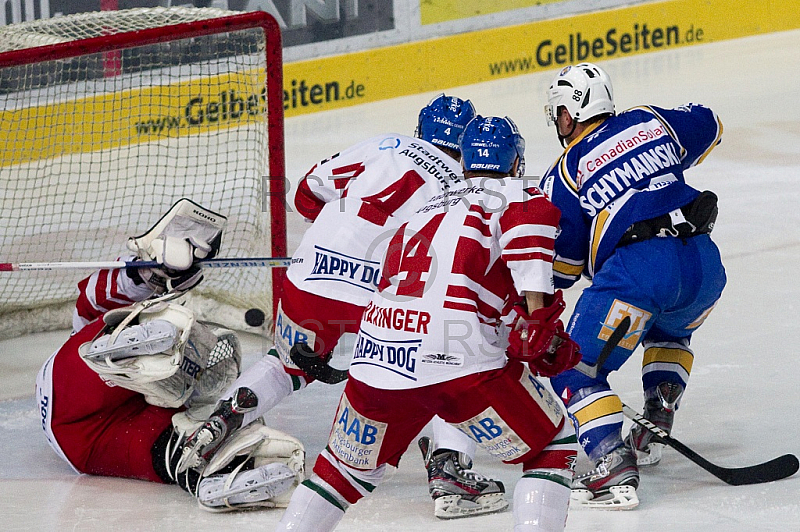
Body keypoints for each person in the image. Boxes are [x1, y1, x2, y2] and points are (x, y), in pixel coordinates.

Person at [179, 95, 509, 518]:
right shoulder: (462, 187)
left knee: (287, 363)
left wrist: (342, 237)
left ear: (420, 130)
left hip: (310, 273)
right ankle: (450, 471)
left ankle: (221, 420)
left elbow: (305, 194)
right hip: (380, 292)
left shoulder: (384, 144)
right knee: (442, 363)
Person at [275, 115, 582, 532]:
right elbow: (529, 240)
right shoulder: (517, 194)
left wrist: (515, 322)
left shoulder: (426, 206)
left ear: (465, 161)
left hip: (376, 359)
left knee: (340, 474)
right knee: (552, 448)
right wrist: (539, 321)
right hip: (459, 363)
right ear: (515, 163)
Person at [35, 198, 305, 512]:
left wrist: (145, 272)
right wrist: (142, 272)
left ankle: (220, 474)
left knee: (188, 441)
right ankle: (130, 343)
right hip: (73, 398)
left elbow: (90, 299)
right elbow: (90, 301)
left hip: (88, 440)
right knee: (155, 352)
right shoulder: (95, 326)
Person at [539, 62, 727, 509]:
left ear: (567, 114)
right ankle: (658, 411)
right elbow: (711, 123)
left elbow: (563, 270)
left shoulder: (565, 171)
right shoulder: (649, 119)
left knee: (572, 367)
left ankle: (611, 464)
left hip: (638, 274)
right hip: (703, 268)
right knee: (669, 330)